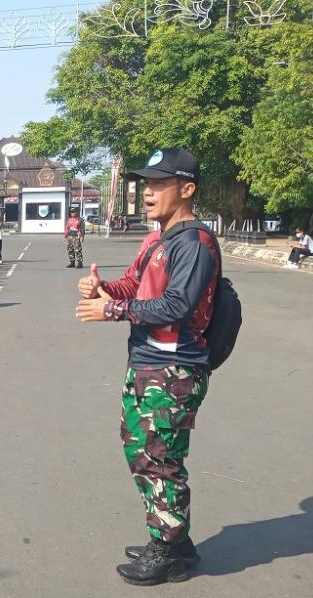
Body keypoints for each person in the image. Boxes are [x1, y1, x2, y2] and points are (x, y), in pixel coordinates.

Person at [76, 148, 218, 586]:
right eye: (147, 184)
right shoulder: (157, 240)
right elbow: (134, 283)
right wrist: (101, 287)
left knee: (158, 458)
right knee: (142, 451)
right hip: (149, 362)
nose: (149, 192)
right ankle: (176, 540)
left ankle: (167, 550)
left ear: (187, 189)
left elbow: (178, 303)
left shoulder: (195, 243)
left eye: (159, 184)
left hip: (173, 369)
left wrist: (114, 310)